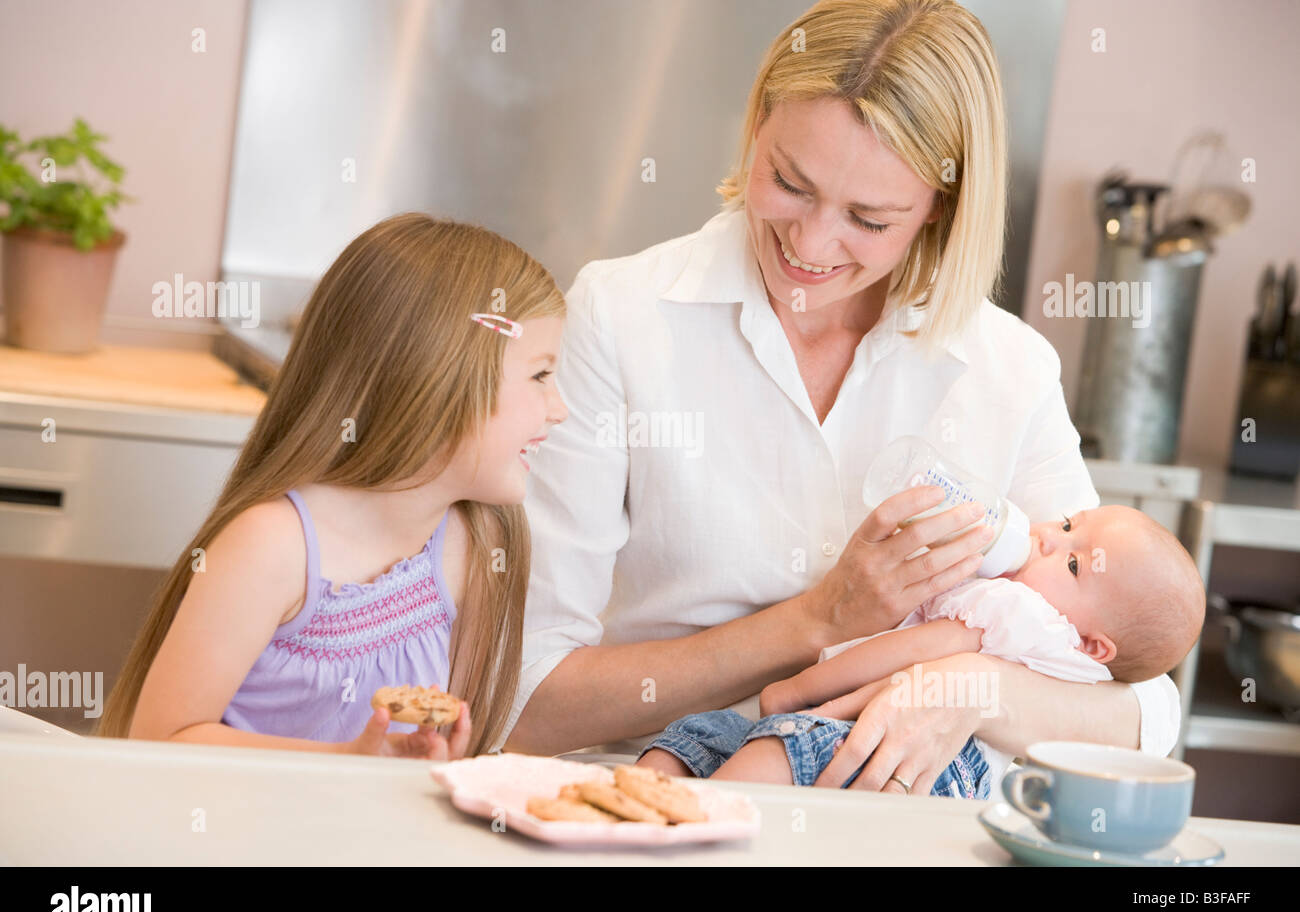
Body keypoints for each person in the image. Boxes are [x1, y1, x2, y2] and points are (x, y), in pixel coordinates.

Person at [501, 0, 1184, 798]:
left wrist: (963, 686)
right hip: (655, 806)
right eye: (790, 182)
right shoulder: (621, 318)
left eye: (869, 218)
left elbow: (1142, 706)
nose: (812, 245)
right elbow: (521, 700)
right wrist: (818, 621)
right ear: (757, 124)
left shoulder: (1007, 367)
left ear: (942, 207)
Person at [97, 214, 569, 758]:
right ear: (435, 375)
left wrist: (423, 757)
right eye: (540, 375)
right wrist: (347, 763)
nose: (560, 409)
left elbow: (448, 747)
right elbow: (160, 740)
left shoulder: (476, 541)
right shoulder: (272, 546)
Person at [635, 505, 1206, 792]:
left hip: (895, 746)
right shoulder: (1054, 626)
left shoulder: (1022, 613)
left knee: (754, 760)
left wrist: (798, 688)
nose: (1048, 537)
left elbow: (909, 651)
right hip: (875, 743)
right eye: (1066, 524)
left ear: (1091, 643)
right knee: (694, 744)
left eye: (1074, 560)